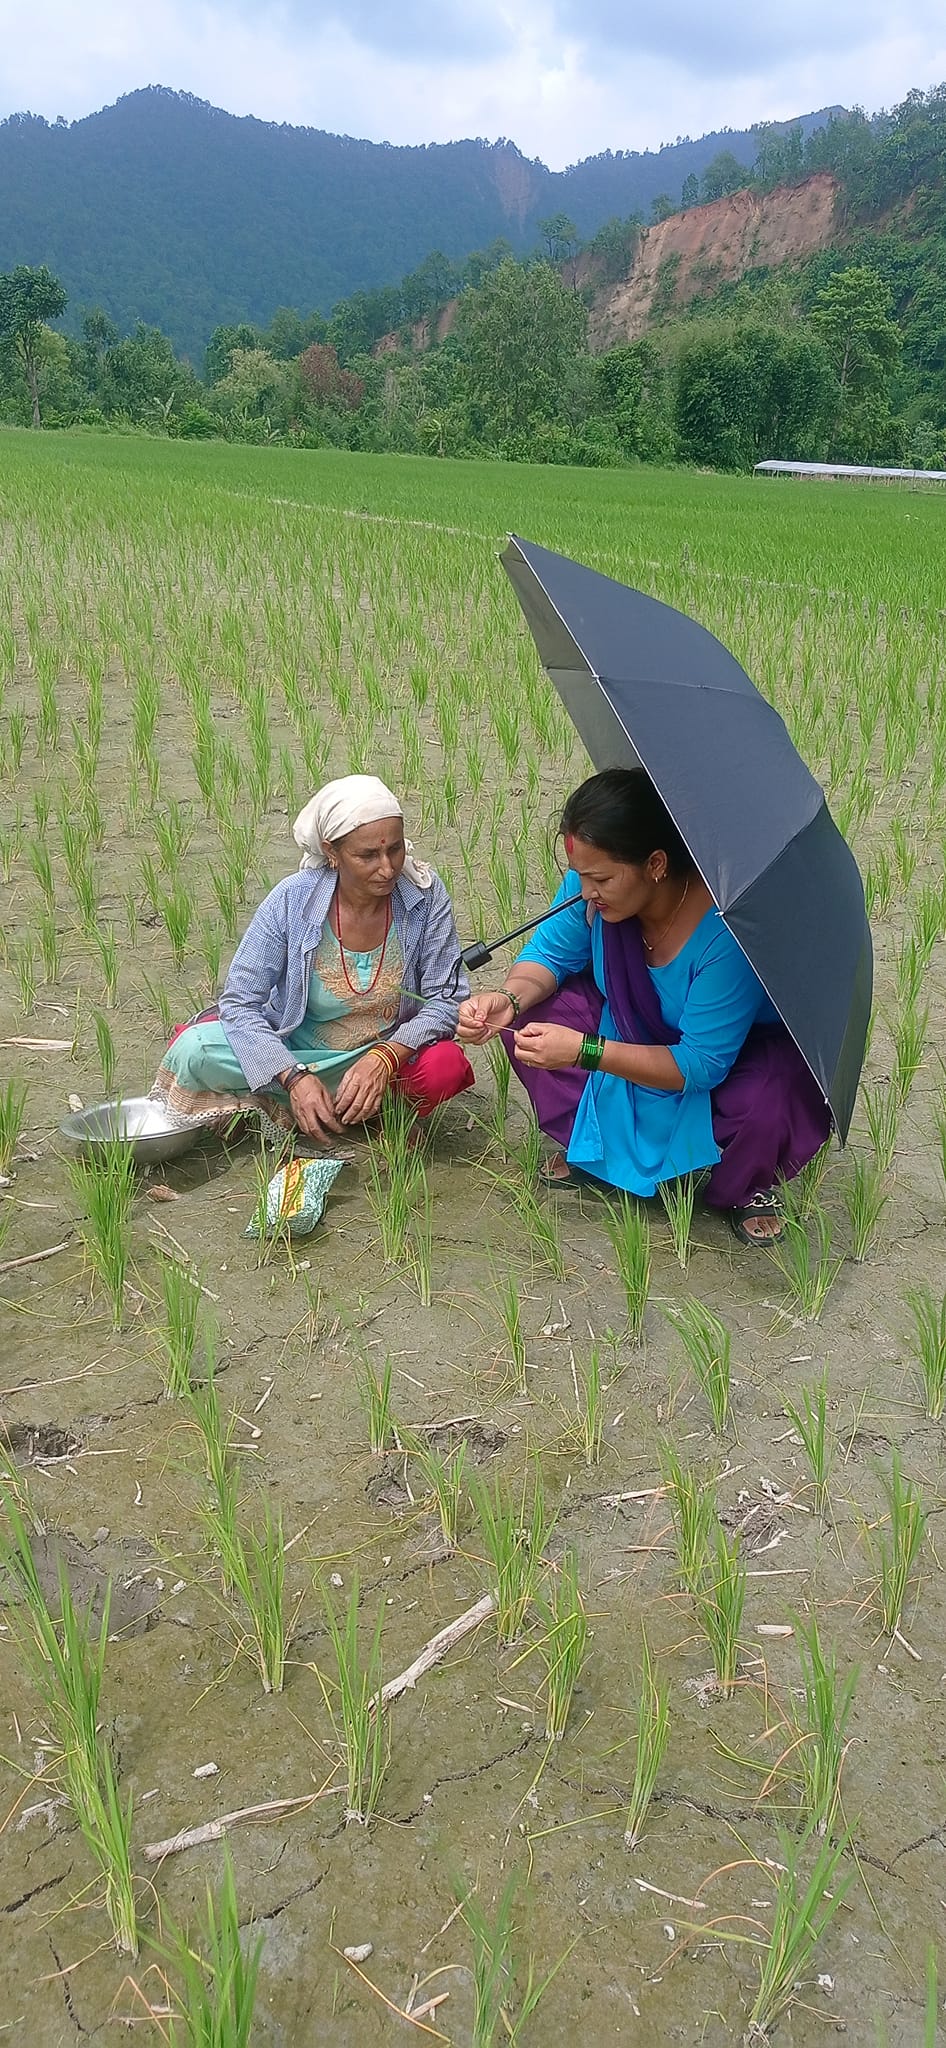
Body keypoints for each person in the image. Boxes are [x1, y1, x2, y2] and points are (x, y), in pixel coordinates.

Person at [457, 768, 831, 1244]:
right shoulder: (591, 889)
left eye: (601, 879)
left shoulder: (724, 932)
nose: (586, 891)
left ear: (656, 863)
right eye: (580, 877)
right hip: (627, 1035)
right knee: (535, 1020)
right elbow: (549, 955)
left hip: (720, 1062)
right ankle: (599, 1153)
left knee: (768, 1097)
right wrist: (508, 998)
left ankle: (744, 1187)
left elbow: (700, 1065)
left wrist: (584, 1050)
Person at [151, 775, 474, 1141]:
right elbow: (240, 1002)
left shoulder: (424, 897)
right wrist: (293, 1076)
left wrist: (384, 1057)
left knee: (445, 1065)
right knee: (196, 1049)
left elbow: (446, 998)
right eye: (368, 855)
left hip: (386, 1053)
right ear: (332, 853)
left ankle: (381, 1106)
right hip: (297, 1051)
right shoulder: (292, 900)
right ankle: (299, 1099)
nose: (387, 868)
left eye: (395, 849)